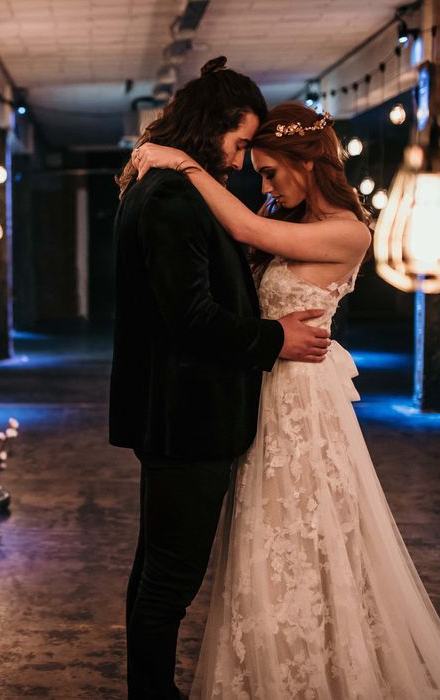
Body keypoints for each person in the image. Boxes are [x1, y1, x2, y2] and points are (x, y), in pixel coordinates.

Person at [132, 102, 440, 699]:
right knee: (260, 543)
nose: (262, 183)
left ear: (307, 163)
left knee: (305, 533)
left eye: (270, 171)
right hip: (264, 389)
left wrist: (186, 166)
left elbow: (245, 230)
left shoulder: (350, 229)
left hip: (302, 399)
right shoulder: (280, 212)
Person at [110, 58, 331, 700]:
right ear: (212, 130)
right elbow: (192, 319)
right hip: (188, 416)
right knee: (172, 578)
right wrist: (276, 337)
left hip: (171, 411)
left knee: (155, 566)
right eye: (238, 145)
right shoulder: (171, 196)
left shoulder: (157, 189)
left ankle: (146, 690)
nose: (237, 163)